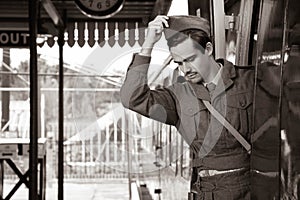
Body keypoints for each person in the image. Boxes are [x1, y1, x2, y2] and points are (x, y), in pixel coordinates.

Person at [120, 15, 252, 199]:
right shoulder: (177, 97)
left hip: (253, 188)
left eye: (190, 59)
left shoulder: (249, 81)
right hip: (209, 192)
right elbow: (131, 98)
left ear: (208, 49)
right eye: (179, 63)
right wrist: (148, 44)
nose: (186, 69)